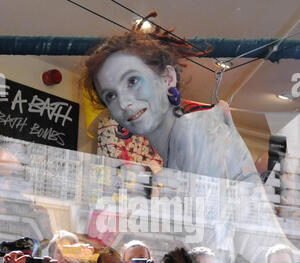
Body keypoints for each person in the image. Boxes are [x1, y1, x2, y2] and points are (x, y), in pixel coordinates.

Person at [83, 16, 260, 184]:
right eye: (111, 95)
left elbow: (209, 214)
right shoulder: (175, 146)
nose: (123, 103)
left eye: (132, 81)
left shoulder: (192, 131)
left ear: (167, 78)